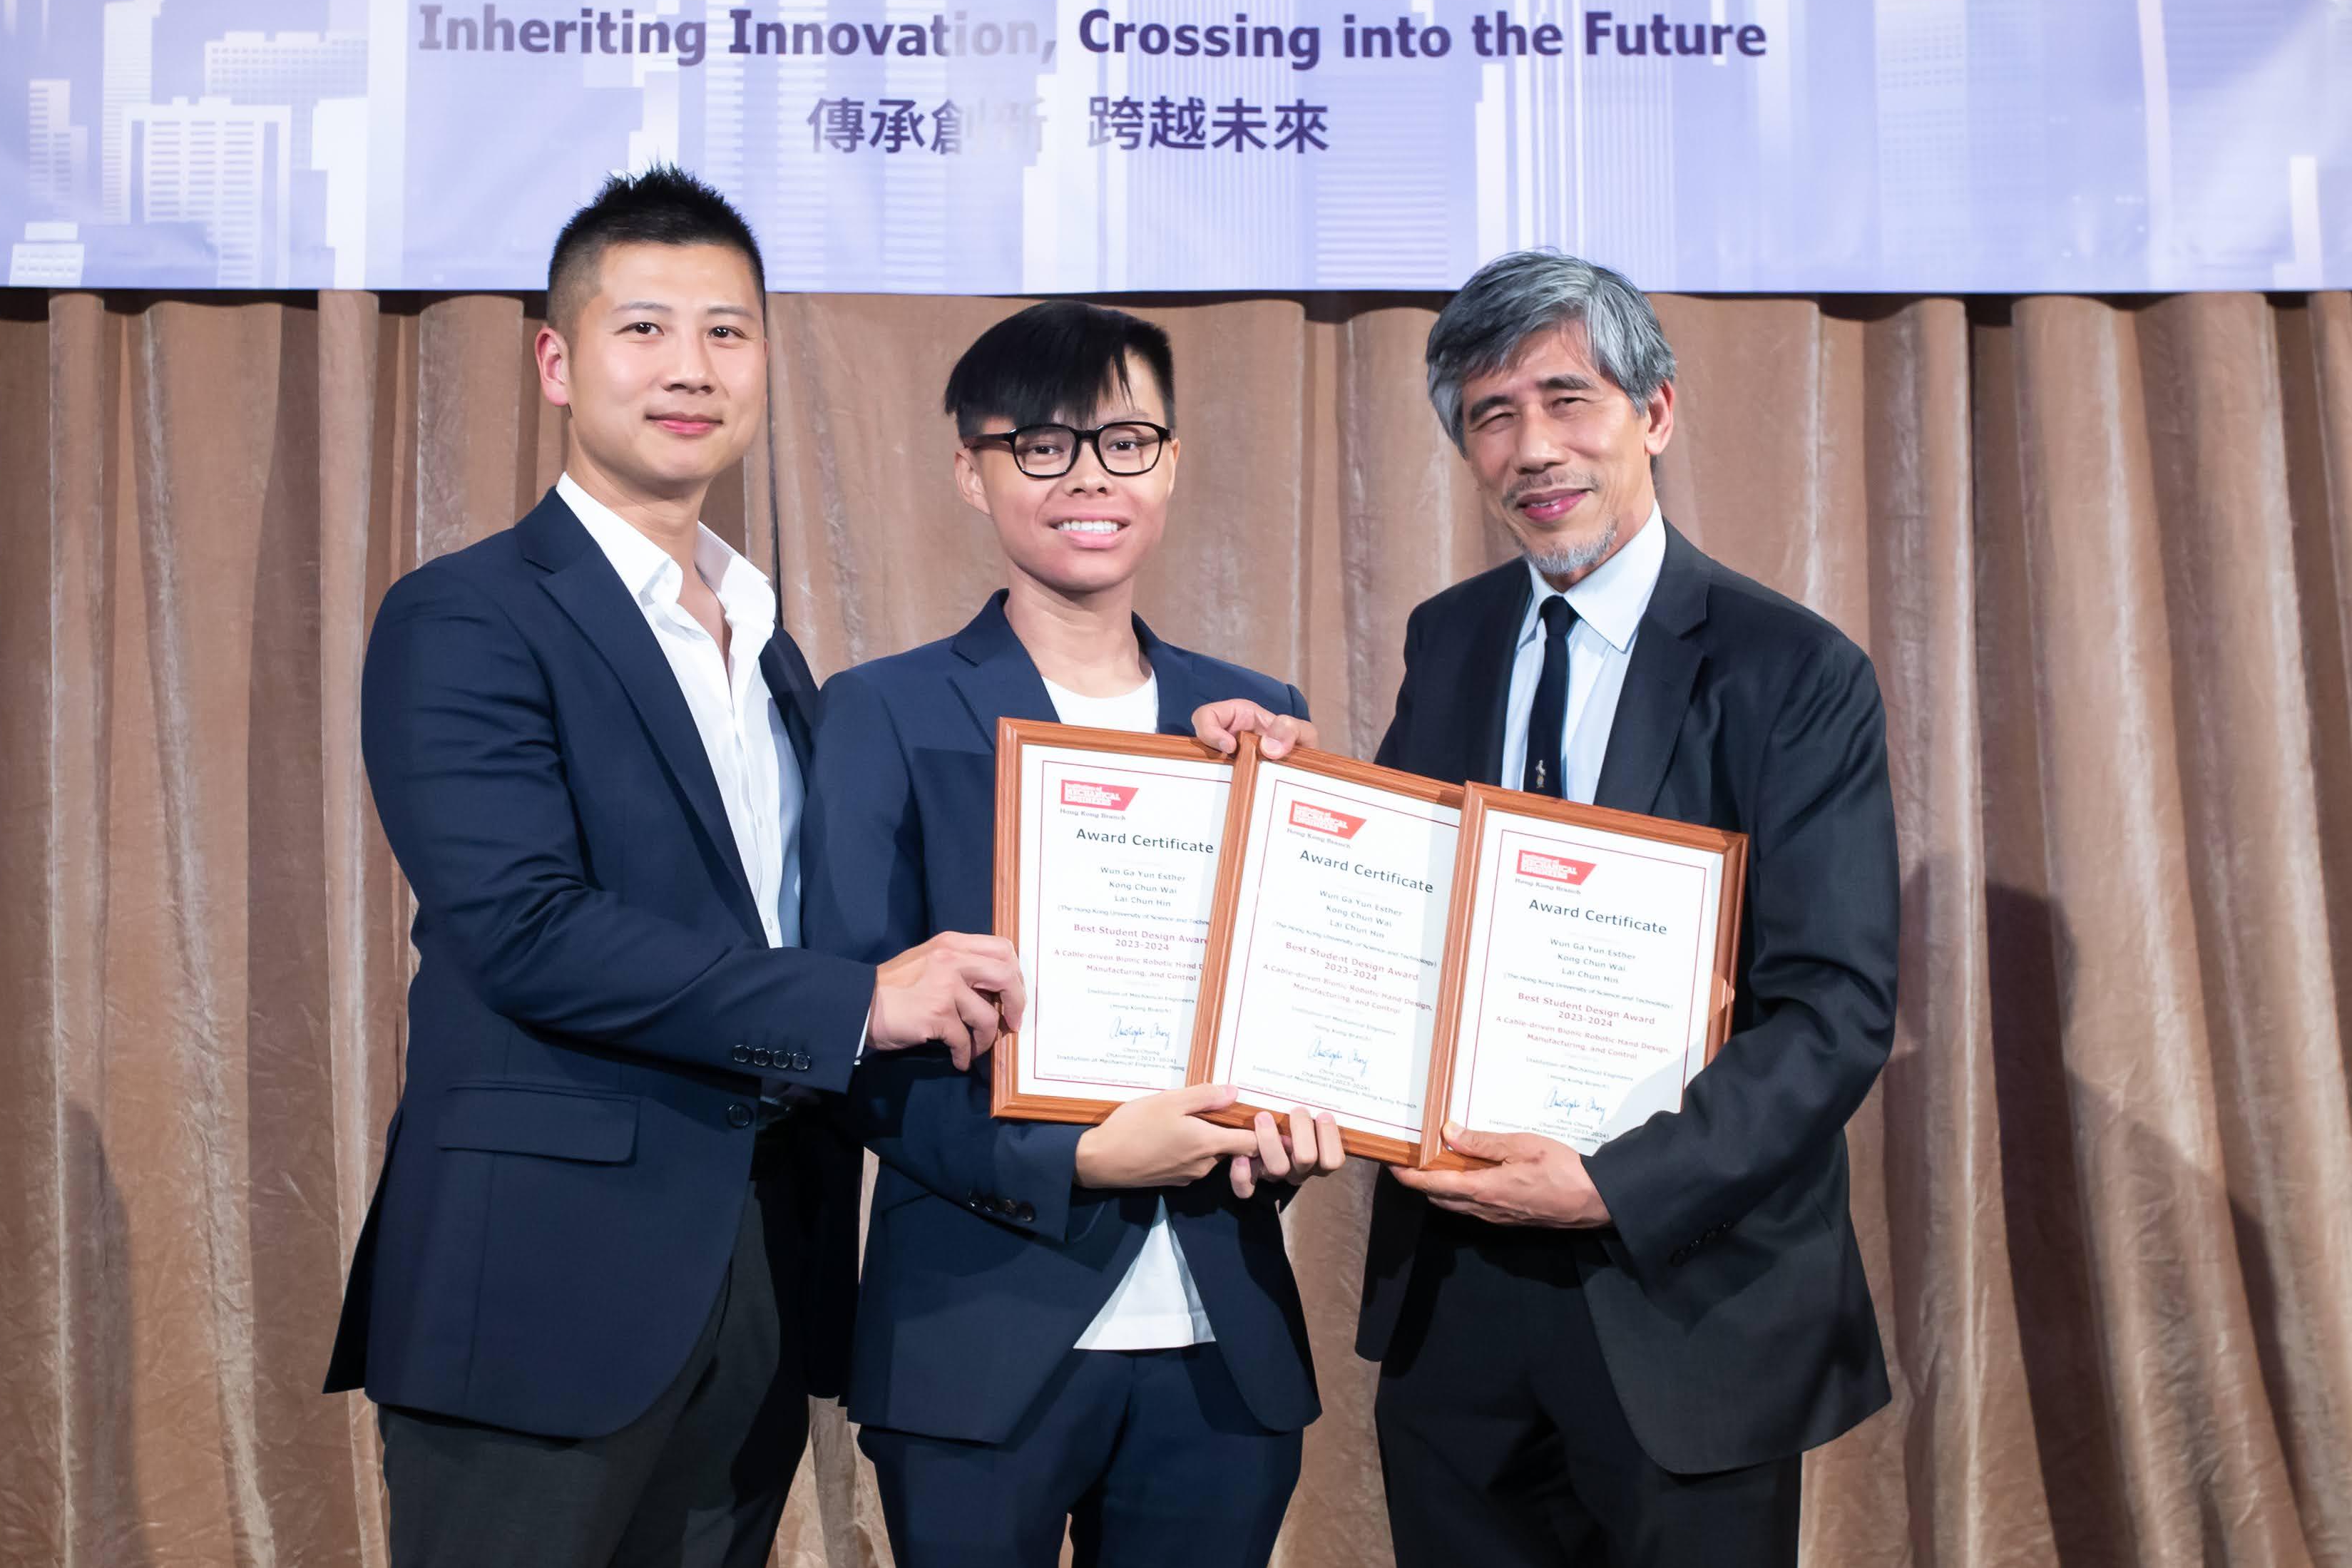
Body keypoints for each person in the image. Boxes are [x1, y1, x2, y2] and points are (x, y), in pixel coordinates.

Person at [326, 165, 1027, 1568]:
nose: (688, 369)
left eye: (726, 331)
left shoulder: (768, 642)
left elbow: (831, 903)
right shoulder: (466, 614)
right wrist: (853, 1005)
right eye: (643, 328)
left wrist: (1207, 768)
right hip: (537, 1287)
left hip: (762, 1266)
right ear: (557, 360)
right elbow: (524, 926)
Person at [1200, 251, 1898, 1566]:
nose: (1534, 446)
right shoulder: (1450, 634)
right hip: (1457, 1293)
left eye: (1568, 399)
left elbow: (1836, 1009)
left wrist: (1608, 1184)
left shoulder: (1791, 669)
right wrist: (1277, 802)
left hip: (1682, 1290)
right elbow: (1404, 907)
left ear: (1658, 413)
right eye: (1491, 415)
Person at [803, 301, 1344, 1568]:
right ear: (970, 470)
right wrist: (1083, 1161)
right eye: (1042, 446)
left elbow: (1300, 1000)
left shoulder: (1256, 718)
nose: (1090, 477)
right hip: (976, 1339)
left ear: (1173, 461)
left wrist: (1310, 1110)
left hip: (1225, 1348)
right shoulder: (883, 711)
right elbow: (848, 1034)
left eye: (1126, 439)